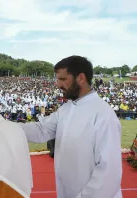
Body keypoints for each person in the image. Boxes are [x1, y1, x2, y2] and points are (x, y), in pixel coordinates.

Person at [20, 56, 122, 198]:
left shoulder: (103, 114)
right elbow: (41, 130)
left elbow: (108, 172)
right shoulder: (66, 109)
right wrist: (3, 126)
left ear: (81, 78)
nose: (58, 84)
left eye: (62, 79)